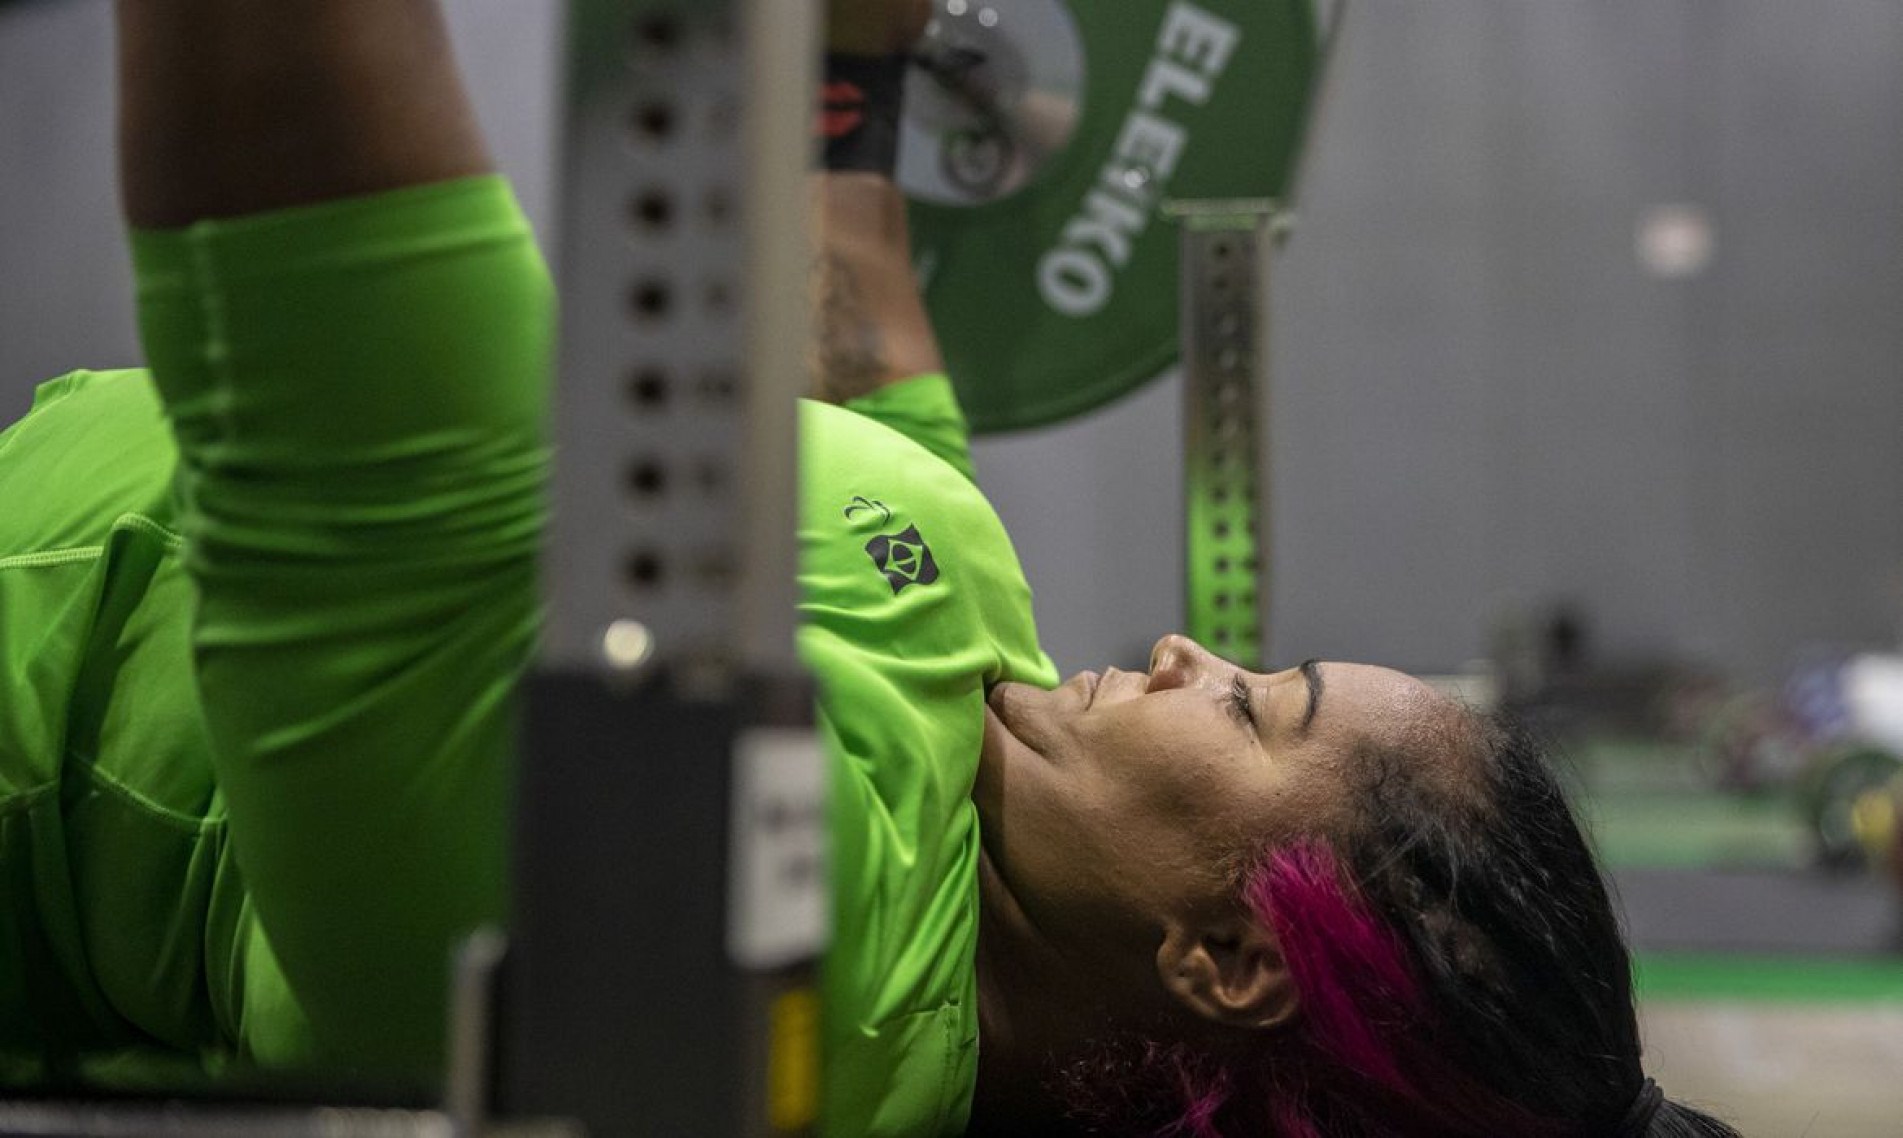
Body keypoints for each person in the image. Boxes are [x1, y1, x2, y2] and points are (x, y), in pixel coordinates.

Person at [0, 5, 1739, 1138]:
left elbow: (316, 293)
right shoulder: (996, 714)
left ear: (1225, 955)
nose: (1183, 649)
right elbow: (854, 299)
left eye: (1255, 704)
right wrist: (866, 67)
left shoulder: (759, 974)